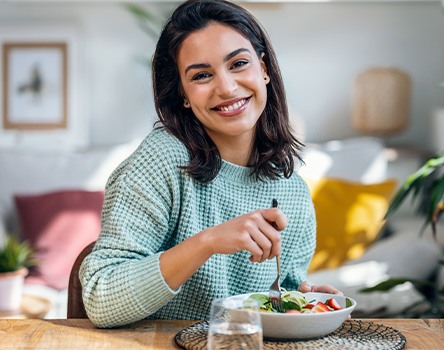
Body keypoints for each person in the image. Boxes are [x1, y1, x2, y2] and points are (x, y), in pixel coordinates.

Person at [80, 0, 341, 329]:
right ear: (184, 95)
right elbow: (101, 298)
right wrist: (207, 242)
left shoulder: (293, 193)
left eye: (239, 64)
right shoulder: (163, 160)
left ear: (263, 69)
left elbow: (277, 294)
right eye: (202, 75)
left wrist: (300, 300)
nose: (227, 88)